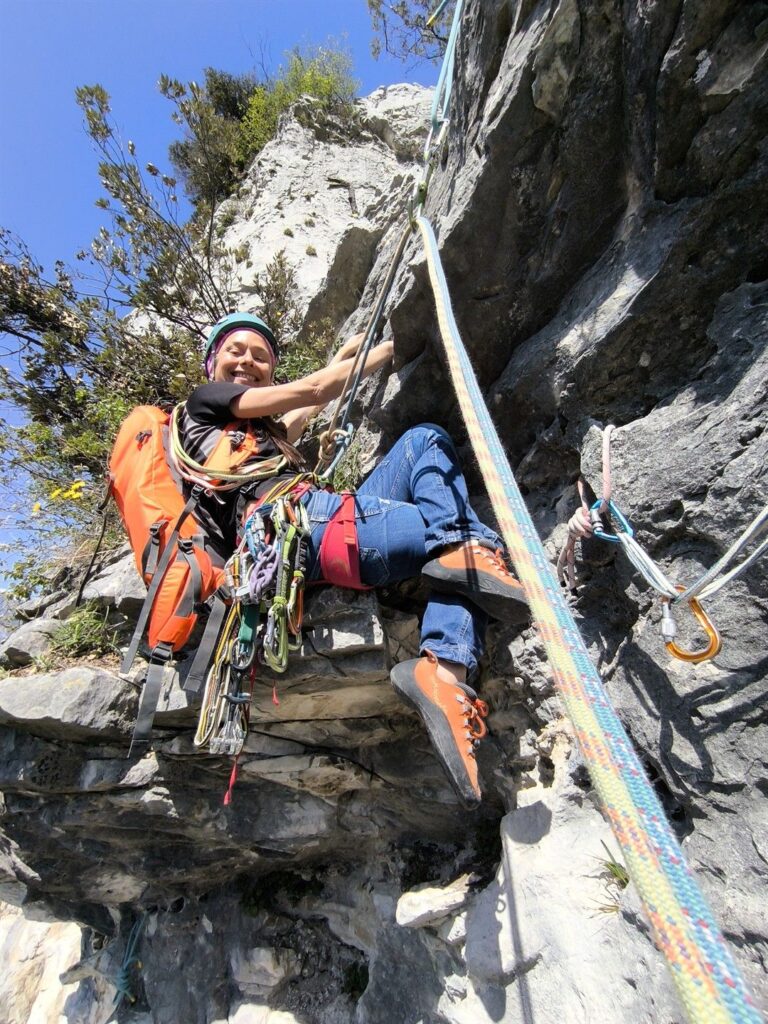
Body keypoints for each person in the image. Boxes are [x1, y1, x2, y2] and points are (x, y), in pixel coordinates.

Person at [184, 312, 528, 807]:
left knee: (423, 441)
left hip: (315, 528)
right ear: (213, 361)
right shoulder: (205, 400)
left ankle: (445, 665)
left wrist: (341, 359)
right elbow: (315, 390)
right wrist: (397, 349)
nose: (248, 362)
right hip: (308, 525)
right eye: (236, 351)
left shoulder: (252, 436)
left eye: (261, 357)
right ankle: (447, 673)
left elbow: (302, 411)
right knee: (466, 546)